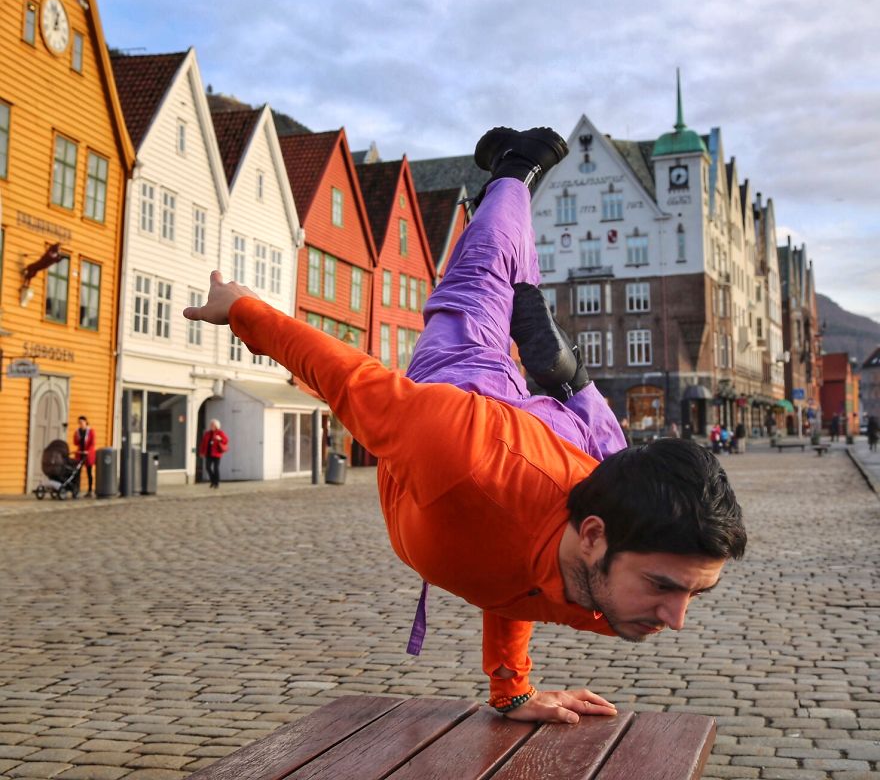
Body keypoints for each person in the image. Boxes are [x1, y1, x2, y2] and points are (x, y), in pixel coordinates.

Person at [184, 126, 746, 725]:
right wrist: (241, 309)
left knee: (604, 444)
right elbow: (346, 377)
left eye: (693, 593)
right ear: (593, 537)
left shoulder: (607, 578)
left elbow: (517, 568)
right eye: (664, 586)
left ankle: (557, 362)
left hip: (561, 443)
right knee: (484, 276)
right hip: (467, 385)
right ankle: (516, 169)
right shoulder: (464, 452)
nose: (676, 619)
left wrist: (513, 690)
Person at [199, 419, 229, 488]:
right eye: (211, 424)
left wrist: (220, 439)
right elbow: (203, 443)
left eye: (212, 424)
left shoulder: (220, 433)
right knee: (208, 467)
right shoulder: (207, 433)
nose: (211, 426)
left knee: (216, 468)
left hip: (216, 453)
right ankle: (213, 480)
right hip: (208, 453)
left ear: (216, 426)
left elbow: (226, 440)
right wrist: (201, 452)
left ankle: (216, 483)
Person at [72, 416, 96, 497]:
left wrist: (88, 451)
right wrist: (76, 435)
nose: (80, 424)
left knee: (89, 472)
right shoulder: (78, 431)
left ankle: (90, 491)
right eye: (79, 423)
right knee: (77, 472)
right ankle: (76, 490)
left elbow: (92, 443)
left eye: (82, 422)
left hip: (88, 454)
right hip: (80, 454)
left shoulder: (91, 431)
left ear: (86, 422)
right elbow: (75, 442)